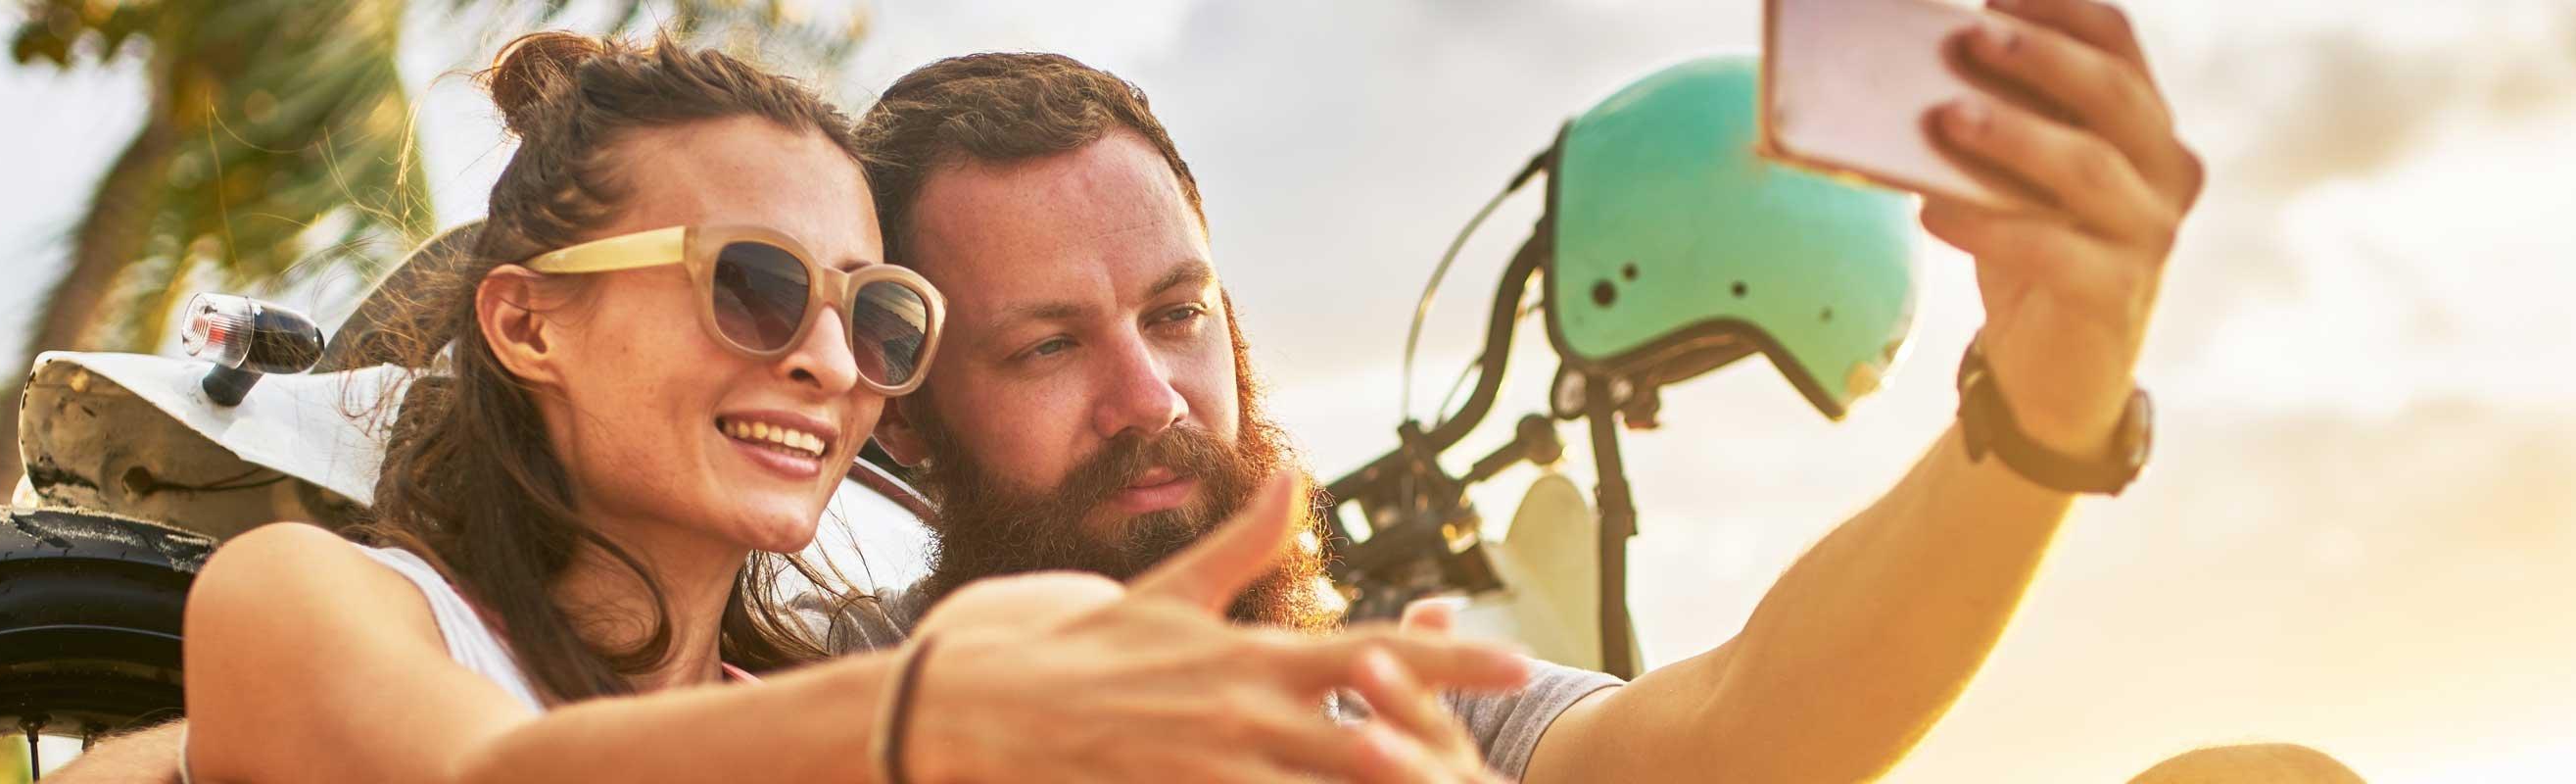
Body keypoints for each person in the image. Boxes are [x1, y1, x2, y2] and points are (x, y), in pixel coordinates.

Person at [839, 0, 2346, 781]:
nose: (1150, 397)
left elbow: (1741, 733)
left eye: (1176, 316)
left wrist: (2043, 406)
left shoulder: (1390, 697)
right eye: (1045, 346)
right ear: (898, 401)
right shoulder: (802, 701)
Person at [154, 31, 1532, 784]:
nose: (830, 360)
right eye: (753, 287)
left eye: (876, 315)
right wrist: (922, 722)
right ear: (528, 320)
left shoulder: (810, 702)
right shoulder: (309, 604)